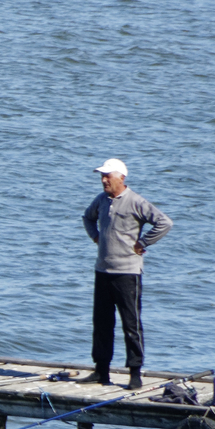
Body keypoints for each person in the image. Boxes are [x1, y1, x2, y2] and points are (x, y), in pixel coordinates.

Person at [79, 159, 172, 389]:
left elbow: (164, 223)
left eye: (107, 176)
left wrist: (143, 242)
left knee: (131, 324)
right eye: (101, 177)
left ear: (121, 177)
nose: (103, 181)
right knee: (101, 323)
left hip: (127, 273)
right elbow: (87, 218)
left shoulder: (135, 201)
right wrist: (95, 236)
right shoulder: (101, 200)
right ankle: (101, 371)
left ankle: (134, 373)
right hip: (103, 270)